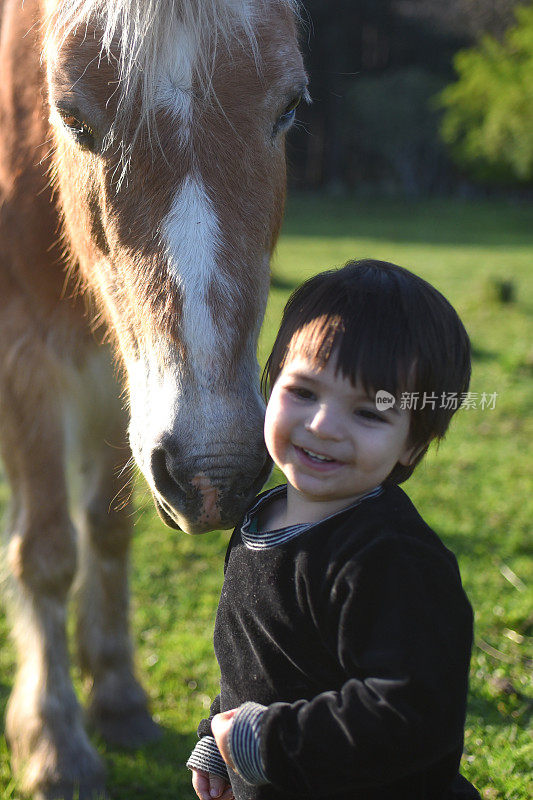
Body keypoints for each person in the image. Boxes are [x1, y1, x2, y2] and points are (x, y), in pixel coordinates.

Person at [187, 259, 480, 800]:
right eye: (303, 392)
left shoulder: (392, 559)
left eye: (368, 413)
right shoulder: (262, 518)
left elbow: (414, 714)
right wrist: (220, 741)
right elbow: (256, 668)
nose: (323, 425)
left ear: (413, 444)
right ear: (269, 384)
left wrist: (267, 745)